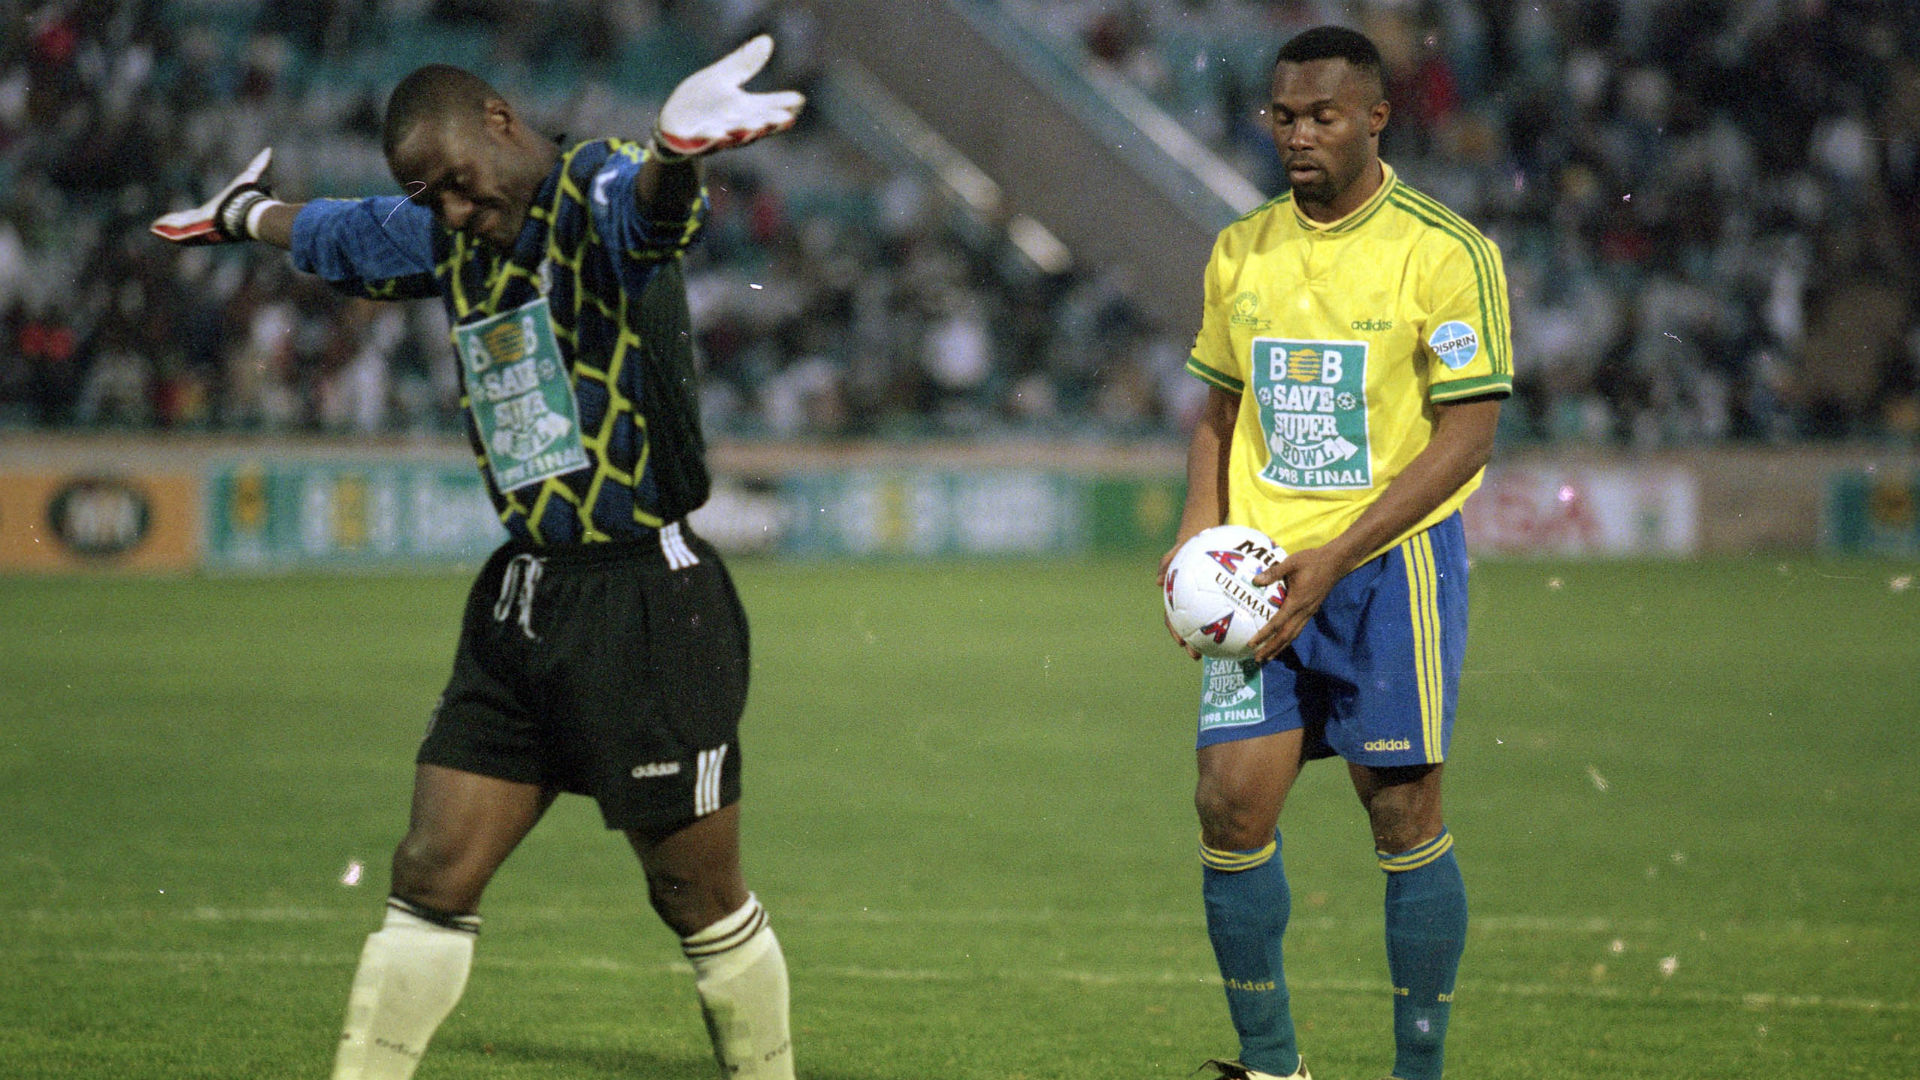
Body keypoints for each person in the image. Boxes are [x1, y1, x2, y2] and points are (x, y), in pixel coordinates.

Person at [151, 36, 806, 1080]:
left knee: (694, 895)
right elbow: (335, 235)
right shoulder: (449, 232)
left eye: (455, 183)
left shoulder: (594, 188)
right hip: (524, 599)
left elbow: (653, 217)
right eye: (428, 195)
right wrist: (240, 216)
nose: (451, 211)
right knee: (431, 871)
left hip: (647, 596)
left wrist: (678, 155)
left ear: (500, 121)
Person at [1164, 25, 1511, 1080]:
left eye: (1321, 115)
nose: (1298, 134)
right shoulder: (1242, 250)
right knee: (1229, 802)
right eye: (1283, 115)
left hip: (1389, 569)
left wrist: (1339, 554)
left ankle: (1418, 1072)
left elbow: (1468, 435)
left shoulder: (1445, 252)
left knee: (1402, 811)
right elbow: (1219, 412)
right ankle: (1273, 1065)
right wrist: (1193, 537)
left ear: (1374, 117)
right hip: (1260, 573)